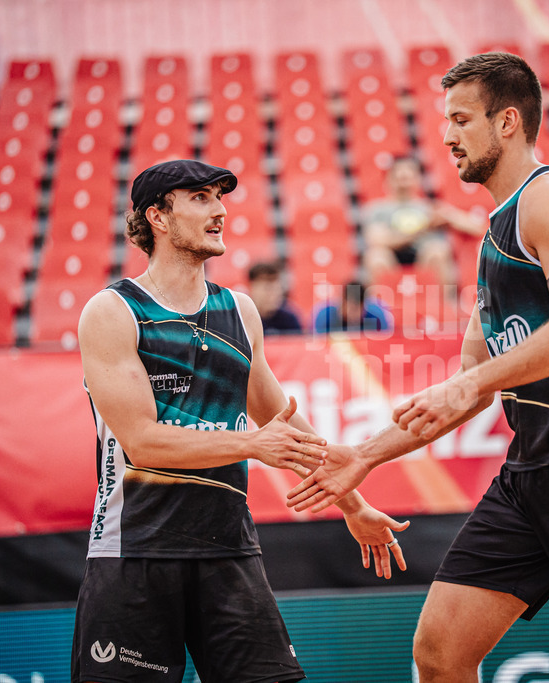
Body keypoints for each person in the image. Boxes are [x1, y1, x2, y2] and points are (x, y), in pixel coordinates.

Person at [288, 53, 549, 682]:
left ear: (507, 122)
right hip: (533, 464)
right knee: (440, 655)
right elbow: (466, 390)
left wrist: (473, 380)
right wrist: (365, 454)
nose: (446, 136)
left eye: (460, 119)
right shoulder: (494, 237)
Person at [72, 159, 409, 683]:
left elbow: (286, 427)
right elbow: (142, 443)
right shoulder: (112, 311)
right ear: (158, 216)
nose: (220, 210)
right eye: (201, 198)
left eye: (220, 198)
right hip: (134, 552)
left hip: (228, 548)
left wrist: (354, 506)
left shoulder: (240, 312)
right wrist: (252, 444)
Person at [362, 156, 487, 289]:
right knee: (376, 257)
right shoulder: (377, 209)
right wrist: (422, 228)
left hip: (425, 256)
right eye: (399, 177)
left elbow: (480, 228)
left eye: (408, 177)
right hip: (391, 257)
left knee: (438, 252)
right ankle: (377, 307)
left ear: (418, 179)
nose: (404, 182)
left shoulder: (432, 208)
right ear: (388, 180)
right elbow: (375, 240)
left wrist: (449, 217)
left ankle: (445, 307)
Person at [312, 280, 391, 333]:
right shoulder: (324, 317)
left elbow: (383, 344)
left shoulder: (377, 317)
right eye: (351, 309)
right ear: (343, 302)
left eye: (358, 309)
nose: (354, 314)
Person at [246, 261, 303, 334]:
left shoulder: (290, 320)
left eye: (277, 288)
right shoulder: (241, 319)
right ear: (253, 288)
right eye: (267, 288)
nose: (274, 294)